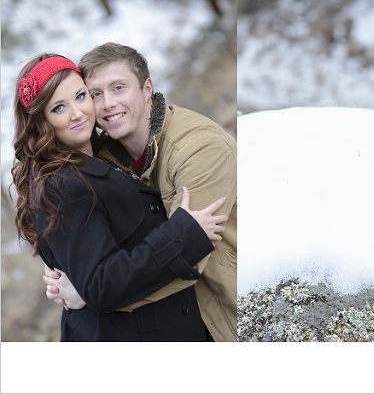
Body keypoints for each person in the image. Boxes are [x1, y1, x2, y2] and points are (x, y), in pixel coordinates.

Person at [12, 54, 229, 340]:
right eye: (59, 107)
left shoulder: (103, 156)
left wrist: (83, 290)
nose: (77, 113)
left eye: (81, 96)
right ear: (42, 121)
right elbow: (101, 285)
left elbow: (92, 276)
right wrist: (184, 234)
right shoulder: (63, 185)